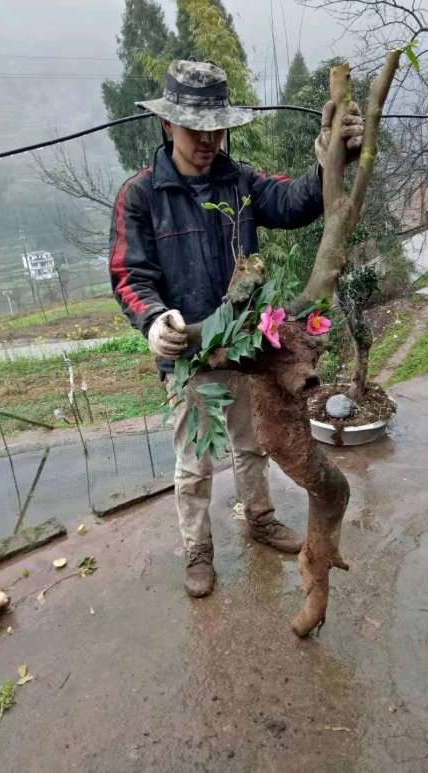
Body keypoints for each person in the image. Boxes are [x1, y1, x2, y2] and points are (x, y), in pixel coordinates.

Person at [110, 60, 363, 598]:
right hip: (190, 352)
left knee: (252, 444)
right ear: (167, 126)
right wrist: (154, 321)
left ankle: (259, 516)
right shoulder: (141, 195)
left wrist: (329, 162)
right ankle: (198, 549)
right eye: (193, 129)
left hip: (245, 345)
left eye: (215, 129)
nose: (206, 140)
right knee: (194, 459)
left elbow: (296, 203)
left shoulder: (239, 181)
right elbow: (129, 274)